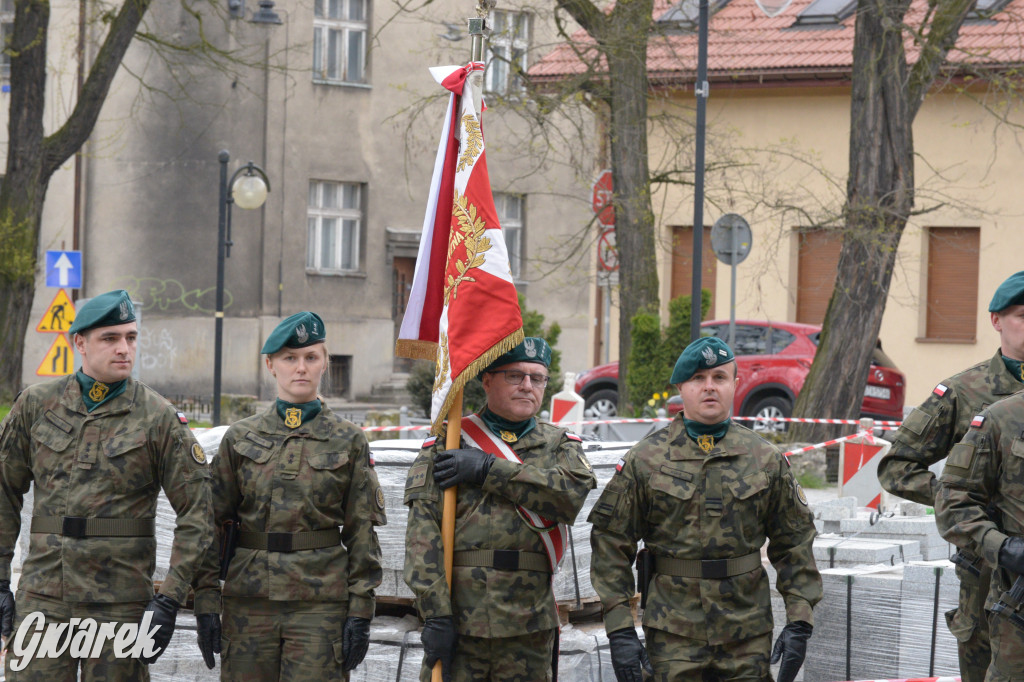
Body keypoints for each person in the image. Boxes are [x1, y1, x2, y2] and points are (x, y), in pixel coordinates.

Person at [0, 289, 214, 679]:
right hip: (45, 597)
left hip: (121, 605)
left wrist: (169, 598)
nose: (124, 349)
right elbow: (3, 492)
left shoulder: (158, 417)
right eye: (110, 338)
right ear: (80, 343)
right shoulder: (36, 405)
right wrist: (0, 580)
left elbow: (198, 512)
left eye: (131, 338)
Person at [589, 337, 822, 682]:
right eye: (698, 378)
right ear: (681, 388)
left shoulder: (765, 459)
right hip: (673, 634)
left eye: (719, 377)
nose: (709, 387)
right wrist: (620, 629)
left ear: (735, 385)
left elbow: (795, 542)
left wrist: (799, 621)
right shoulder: (646, 459)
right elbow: (610, 544)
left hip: (747, 632)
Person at [192, 311, 385, 681]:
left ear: (325, 363)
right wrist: (205, 601)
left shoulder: (348, 439)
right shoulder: (240, 437)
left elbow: (362, 531)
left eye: (311, 357)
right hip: (249, 602)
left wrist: (361, 611)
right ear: (270, 365)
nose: (301, 368)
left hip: (319, 605)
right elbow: (210, 524)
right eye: (289, 358)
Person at [403, 337, 597, 682]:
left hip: (529, 626)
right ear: (487, 380)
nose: (527, 386)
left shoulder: (560, 445)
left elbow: (569, 497)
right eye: (515, 376)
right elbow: (422, 536)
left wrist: (488, 469)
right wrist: (436, 615)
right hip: (460, 622)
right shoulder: (450, 441)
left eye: (537, 378)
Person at [878, 270, 1024, 681]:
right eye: (1022, 316)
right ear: (996, 320)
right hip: (984, 564)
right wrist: (961, 501)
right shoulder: (963, 392)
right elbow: (898, 467)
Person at [934, 277, 1024, 682]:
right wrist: (996, 538)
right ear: (997, 320)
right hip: (1000, 583)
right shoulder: (997, 413)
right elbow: (947, 495)